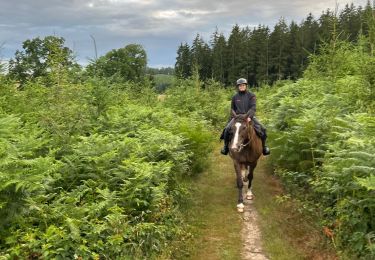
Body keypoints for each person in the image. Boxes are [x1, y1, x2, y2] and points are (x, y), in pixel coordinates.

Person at [220, 78, 270, 156]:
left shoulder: (251, 95)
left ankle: (264, 147)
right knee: (226, 130)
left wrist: (249, 117)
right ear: (238, 87)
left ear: (246, 86)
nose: (242, 87)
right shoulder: (234, 97)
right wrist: (234, 117)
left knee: (263, 129)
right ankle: (226, 147)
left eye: (243, 85)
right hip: (237, 117)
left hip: (248, 116)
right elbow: (232, 108)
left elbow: (253, 108)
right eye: (240, 86)